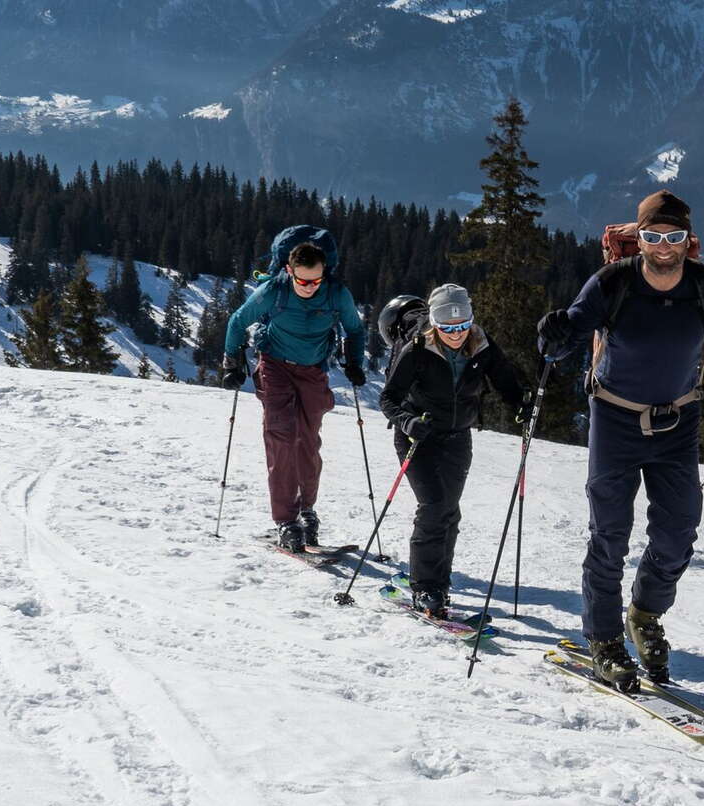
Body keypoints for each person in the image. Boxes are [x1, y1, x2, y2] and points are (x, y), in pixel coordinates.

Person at [538, 190, 704, 690]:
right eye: (651, 235)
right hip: (615, 421)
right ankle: (603, 640)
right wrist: (551, 337)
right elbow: (568, 337)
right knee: (610, 535)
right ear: (638, 239)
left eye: (673, 236)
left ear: (689, 241)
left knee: (678, 531)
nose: (662, 246)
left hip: (679, 424)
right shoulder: (610, 283)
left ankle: (643, 615)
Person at [379, 283, 528, 623]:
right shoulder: (417, 348)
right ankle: (425, 587)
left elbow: (506, 382)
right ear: (434, 322)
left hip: (458, 437)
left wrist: (521, 404)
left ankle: (439, 584)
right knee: (433, 507)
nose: (456, 333)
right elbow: (388, 399)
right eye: (446, 326)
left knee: (449, 511)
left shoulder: (482, 344)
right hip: (418, 437)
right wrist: (407, 421)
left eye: (462, 325)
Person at [223, 238, 365, 552]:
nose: (310, 286)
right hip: (274, 365)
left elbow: (355, 329)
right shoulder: (274, 291)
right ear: (289, 270)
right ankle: (286, 521)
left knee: (308, 442)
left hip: (313, 370)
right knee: (281, 438)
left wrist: (355, 361)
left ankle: (306, 510)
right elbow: (237, 321)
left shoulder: (336, 294)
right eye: (302, 280)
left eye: (316, 280)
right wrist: (232, 362)